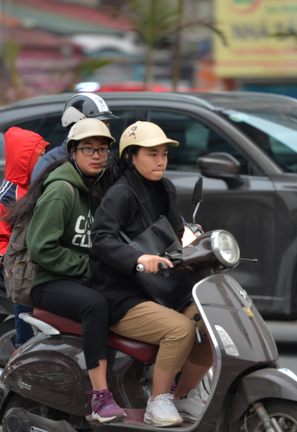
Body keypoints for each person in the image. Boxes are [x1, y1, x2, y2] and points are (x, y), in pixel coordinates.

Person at [90, 121, 213, 427]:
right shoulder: (121, 194)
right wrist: (138, 259)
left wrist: (194, 244)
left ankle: (183, 397)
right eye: (152, 153)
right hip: (124, 295)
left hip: (163, 288)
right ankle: (157, 402)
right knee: (181, 329)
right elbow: (101, 239)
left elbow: (172, 237)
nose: (160, 160)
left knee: (211, 324)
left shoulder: (165, 188)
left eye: (164, 154)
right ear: (131, 157)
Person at [5, 118, 126, 423]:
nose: (97, 156)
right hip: (50, 281)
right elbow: (42, 248)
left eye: (102, 150)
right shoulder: (62, 189)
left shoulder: (97, 187)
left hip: (79, 277)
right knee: (95, 304)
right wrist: (89, 269)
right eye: (89, 149)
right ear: (73, 152)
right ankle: (100, 396)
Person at [0, 127, 49, 347]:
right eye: (40, 155)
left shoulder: (39, 188)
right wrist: (17, 262)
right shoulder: (4, 197)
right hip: (10, 264)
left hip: (36, 258)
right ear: (24, 158)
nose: (44, 160)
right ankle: (24, 345)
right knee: (26, 278)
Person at [31, 93, 117, 183]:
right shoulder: (50, 163)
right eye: (97, 124)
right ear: (73, 126)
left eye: (106, 124)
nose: (103, 130)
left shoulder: (108, 161)